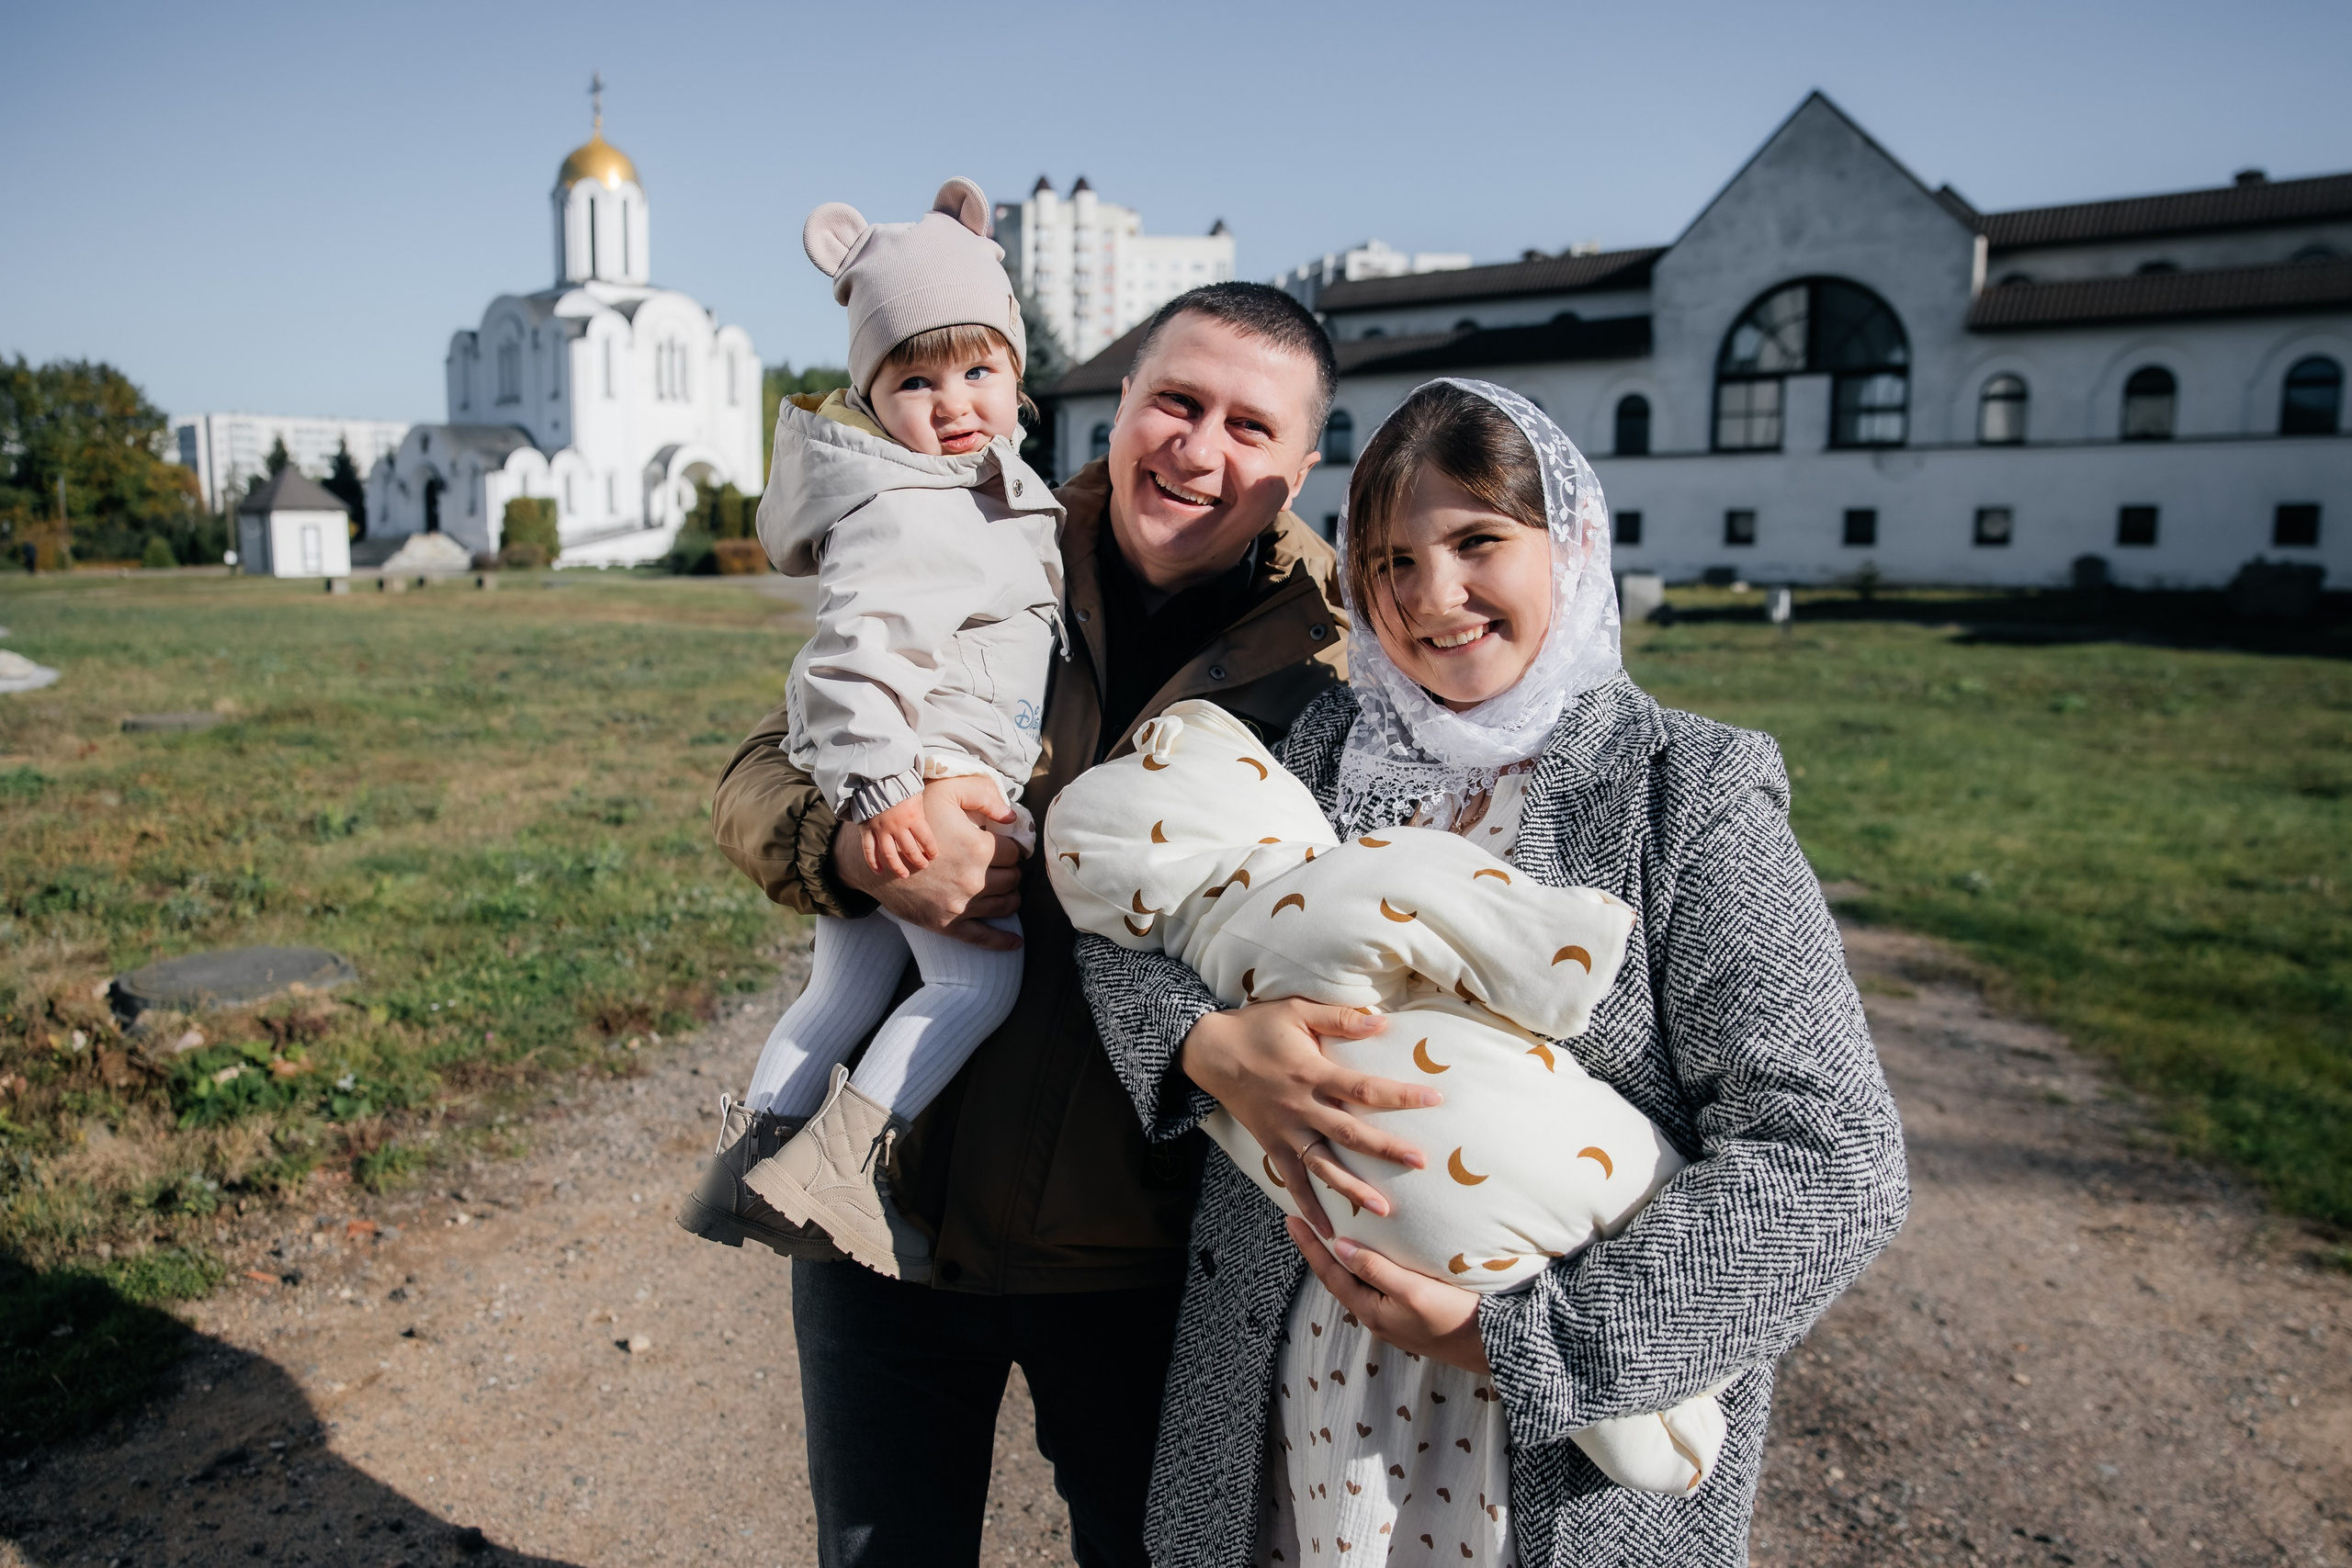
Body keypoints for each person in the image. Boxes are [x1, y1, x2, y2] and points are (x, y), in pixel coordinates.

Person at [1077, 378, 1910, 1567]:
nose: (1434, 597)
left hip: (1535, 1448)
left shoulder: (1683, 788)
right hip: (1286, 1396)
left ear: (1570, 543)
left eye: (1477, 542)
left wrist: (1515, 1339)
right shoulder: (1313, 748)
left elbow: (1833, 1153)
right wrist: (1205, 1049)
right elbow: (1132, 922)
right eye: (1392, 560)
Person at [701, 282, 1351, 1565]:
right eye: (1176, 401)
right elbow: (753, 775)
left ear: (1303, 462)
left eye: (1249, 426)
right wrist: (854, 852)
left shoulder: (1332, 662)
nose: (1199, 448)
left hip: (1142, 1258)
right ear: (1119, 405)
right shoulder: (979, 527)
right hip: (887, 1211)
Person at [675, 178, 1064, 1280]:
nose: (953, 403)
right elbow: (848, 665)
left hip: (897, 770)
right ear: (872, 392)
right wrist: (885, 799)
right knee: (975, 986)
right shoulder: (916, 504)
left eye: (979, 370)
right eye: (915, 379)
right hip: (930, 770)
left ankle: (746, 1158)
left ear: (1016, 374)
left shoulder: (976, 489)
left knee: (842, 990)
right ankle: (833, 1175)